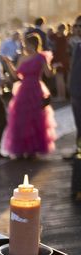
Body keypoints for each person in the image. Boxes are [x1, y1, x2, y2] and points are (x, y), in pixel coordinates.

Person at [3, 34, 56, 159]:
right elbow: (16, 76)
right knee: (21, 120)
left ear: (32, 45)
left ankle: (32, 150)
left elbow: (48, 74)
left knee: (35, 120)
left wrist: (55, 68)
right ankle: (21, 149)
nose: (24, 47)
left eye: (26, 44)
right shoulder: (22, 58)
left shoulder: (41, 57)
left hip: (36, 90)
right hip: (23, 91)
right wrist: (8, 63)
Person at [70, 16, 81, 156]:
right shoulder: (77, 45)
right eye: (77, 26)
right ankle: (79, 151)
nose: (78, 29)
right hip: (76, 92)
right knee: (79, 124)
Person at [52, 23, 70, 101]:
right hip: (62, 60)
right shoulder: (64, 38)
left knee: (59, 78)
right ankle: (62, 96)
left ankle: (61, 96)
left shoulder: (61, 39)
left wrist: (58, 62)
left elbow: (60, 51)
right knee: (60, 78)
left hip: (60, 60)